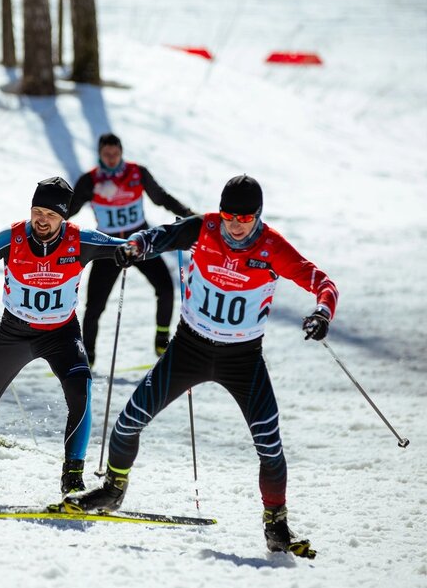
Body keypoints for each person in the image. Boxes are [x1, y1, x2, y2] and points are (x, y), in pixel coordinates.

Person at [66, 175, 338, 556]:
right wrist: (134, 248)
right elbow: (158, 237)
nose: (235, 225)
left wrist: (322, 313)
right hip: (189, 349)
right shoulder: (204, 228)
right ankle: (113, 490)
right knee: (128, 422)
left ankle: (276, 525)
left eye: (245, 218)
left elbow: (324, 284)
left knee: (270, 444)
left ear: (258, 216)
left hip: (242, 359)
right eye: (229, 215)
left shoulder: (272, 247)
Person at [0, 177, 127, 495]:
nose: (42, 220)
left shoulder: (81, 241)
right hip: (15, 333)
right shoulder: (12, 238)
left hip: (62, 334)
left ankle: (72, 478)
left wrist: (175, 239)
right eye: (37, 211)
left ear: (64, 217)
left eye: (51, 214)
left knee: (81, 395)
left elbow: (133, 247)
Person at [68, 133, 194, 365]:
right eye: (107, 154)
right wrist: (46, 219)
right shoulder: (91, 180)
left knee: (166, 288)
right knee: (94, 305)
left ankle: (161, 338)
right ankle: (87, 357)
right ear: (100, 154)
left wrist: (187, 214)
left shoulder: (137, 173)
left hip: (140, 243)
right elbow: (70, 209)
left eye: (115, 153)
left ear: (121, 152)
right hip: (108, 247)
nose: (112, 158)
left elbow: (161, 197)